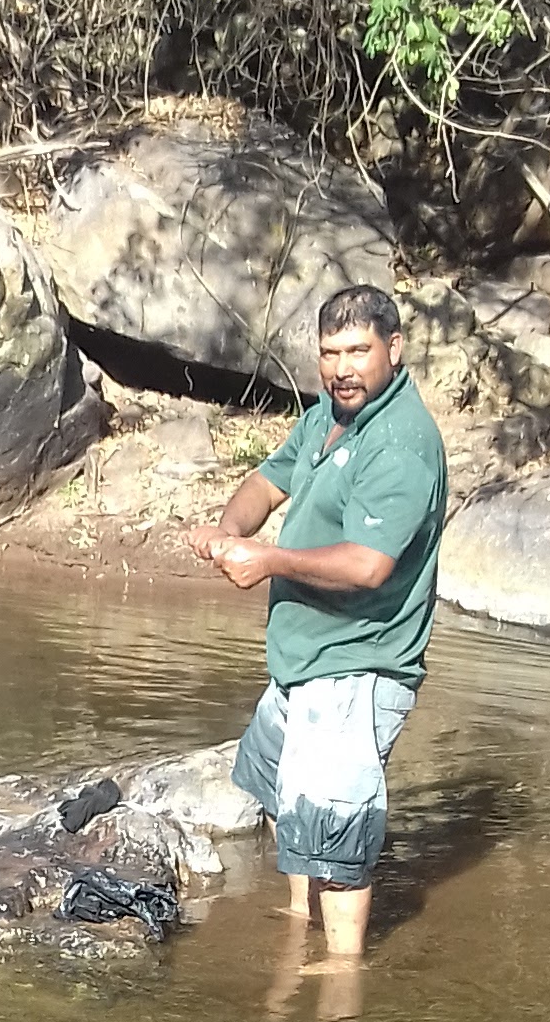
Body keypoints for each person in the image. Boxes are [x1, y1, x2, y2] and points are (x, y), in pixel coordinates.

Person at [186, 284, 448, 968]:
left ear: (394, 348)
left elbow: (367, 565)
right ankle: (300, 922)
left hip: (356, 669)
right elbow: (268, 481)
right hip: (304, 665)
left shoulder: (400, 443)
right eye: (330, 353)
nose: (342, 368)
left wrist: (270, 559)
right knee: (276, 784)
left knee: (335, 830)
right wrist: (228, 532)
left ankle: (341, 981)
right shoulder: (327, 416)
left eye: (358, 351)